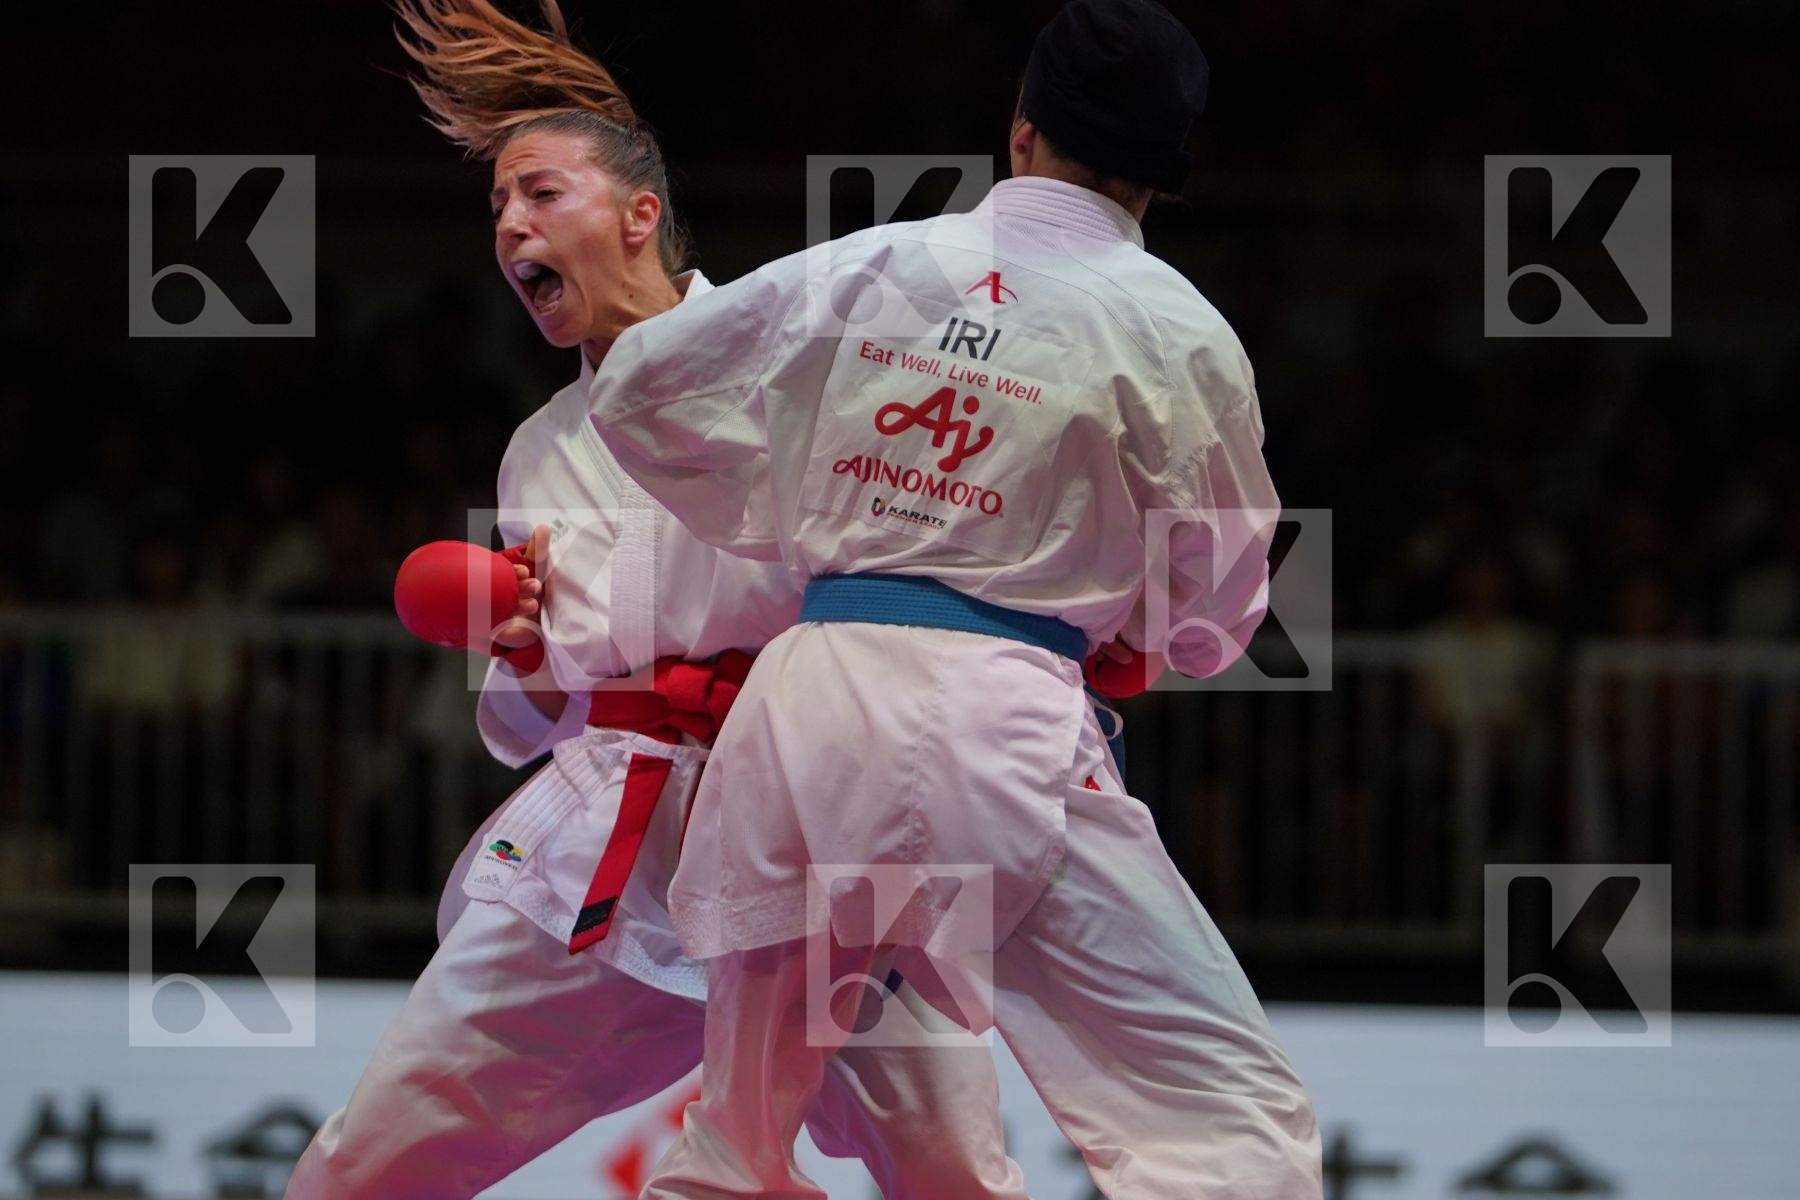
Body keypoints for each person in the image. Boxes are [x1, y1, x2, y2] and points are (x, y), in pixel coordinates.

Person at [285, 3, 1030, 1197]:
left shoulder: (803, 356)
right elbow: (531, 724)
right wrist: (523, 651)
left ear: (640, 215)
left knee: (952, 1172)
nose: (511, 226)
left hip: (819, 817)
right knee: (363, 1167)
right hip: (618, 837)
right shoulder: (540, 449)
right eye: (497, 209)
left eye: (538, 194)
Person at [584, 1, 1324, 1196]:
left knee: (738, 1144)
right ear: (1162, 177)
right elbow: (1223, 590)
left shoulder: (875, 259)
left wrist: (792, 530)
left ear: (1020, 131)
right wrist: (1148, 629)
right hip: (997, 728)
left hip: (804, 715)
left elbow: (642, 384)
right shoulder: (1179, 331)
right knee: (1219, 1120)